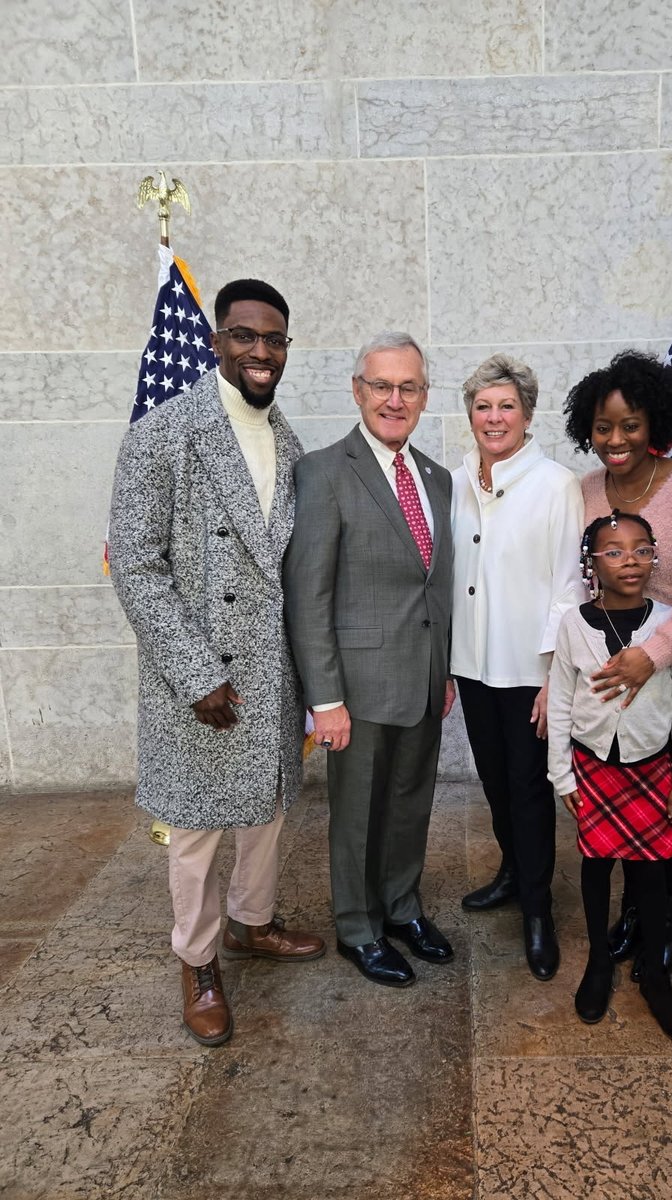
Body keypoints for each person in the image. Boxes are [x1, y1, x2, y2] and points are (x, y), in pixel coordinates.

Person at [108, 279, 325, 1048]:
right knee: (198, 827)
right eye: (244, 336)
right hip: (198, 678)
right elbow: (136, 565)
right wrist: (196, 672)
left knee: (266, 807)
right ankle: (197, 962)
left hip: (271, 670)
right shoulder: (165, 433)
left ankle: (252, 923)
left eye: (274, 340)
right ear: (215, 341)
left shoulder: (291, 441)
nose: (260, 352)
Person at [283, 332, 455, 988]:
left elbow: (433, 583)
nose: (394, 398)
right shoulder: (325, 472)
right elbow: (309, 592)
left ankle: (402, 907)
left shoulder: (435, 478)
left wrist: (444, 669)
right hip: (354, 688)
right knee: (357, 812)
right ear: (358, 391)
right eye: (381, 385)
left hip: (424, 677)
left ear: (423, 396)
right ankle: (357, 926)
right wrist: (324, 698)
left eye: (408, 387)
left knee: (411, 802)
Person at [563, 349, 672, 977]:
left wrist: (654, 654)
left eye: (630, 425)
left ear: (654, 423)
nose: (616, 439)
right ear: (588, 426)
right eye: (604, 427)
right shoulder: (582, 491)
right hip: (611, 675)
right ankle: (635, 913)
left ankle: (669, 915)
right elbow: (575, 587)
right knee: (624, 790)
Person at [451, 353, 585, 980]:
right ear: (470, 414)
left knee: (531, 791)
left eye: (506, 405)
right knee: (496, 782)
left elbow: (569, 587)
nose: (494, 416)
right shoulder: (453, 483)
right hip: (473, 666)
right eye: (483, 406)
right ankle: (511, 871)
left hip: (530, 671)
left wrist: (555, 674)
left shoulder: (557, 485)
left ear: (528, 415)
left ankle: (538, 908)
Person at [547, 511, 672, 1045]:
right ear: (591, 564)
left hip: (652, 769)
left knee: (656, 871)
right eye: (613, 551)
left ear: (654, 555)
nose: (629, 560)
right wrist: (562, 777)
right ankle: (598, 962)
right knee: (595, 865)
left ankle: (657, 977)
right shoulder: (573, 624)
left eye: (640, 549)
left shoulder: (670, 625)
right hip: (594, 769)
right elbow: (563, 704)